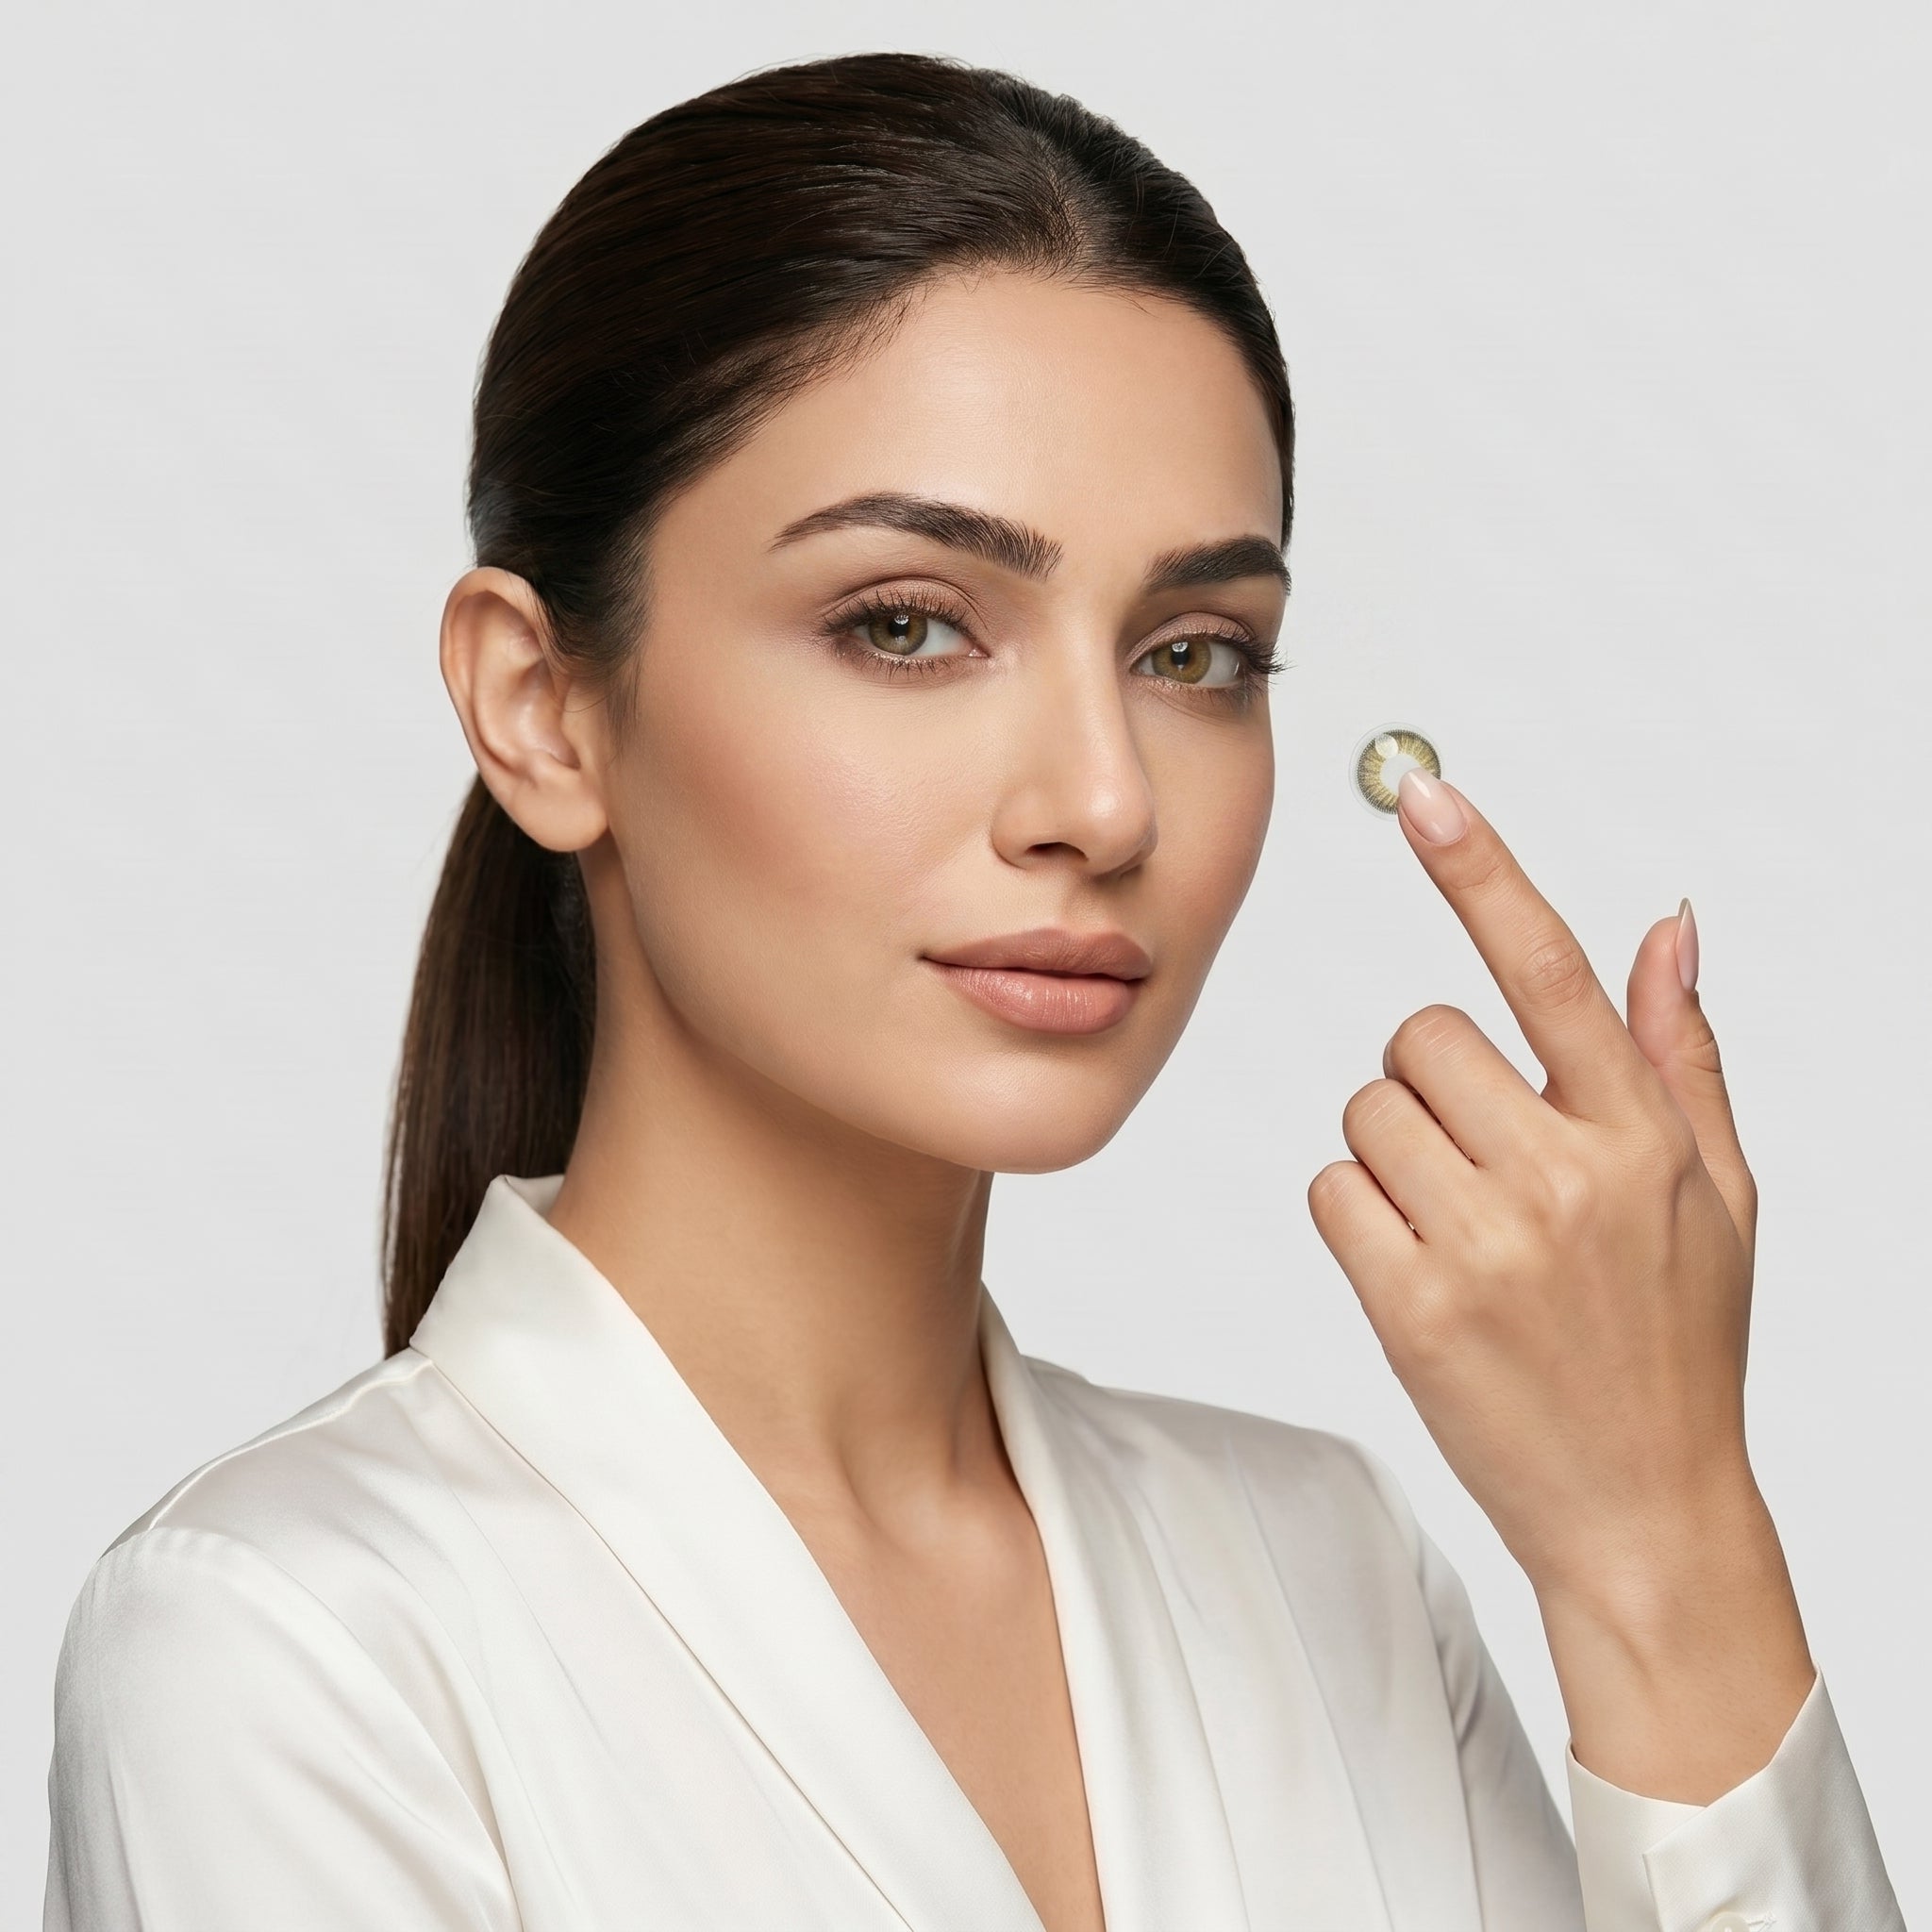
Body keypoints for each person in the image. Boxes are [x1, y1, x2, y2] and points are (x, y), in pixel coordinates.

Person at [42, 50, 1901, 1932]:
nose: (1102, 798)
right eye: (905, 623)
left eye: (1195, 652)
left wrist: (1663, 1540)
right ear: (541, 704)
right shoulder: (290, 1645)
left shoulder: (1321, 1557)